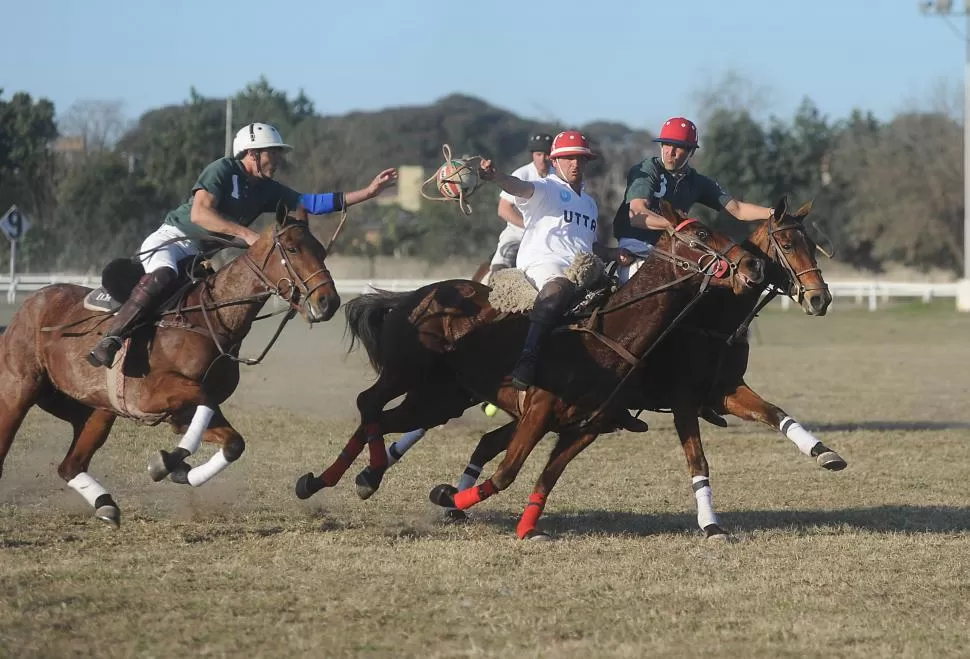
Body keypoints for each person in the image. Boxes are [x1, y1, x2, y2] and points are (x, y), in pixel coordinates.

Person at [87, 122, 398, 368]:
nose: (277, 159)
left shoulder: (266, 189)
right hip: (171, 241)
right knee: (163, 276)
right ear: (251, 153)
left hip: (197, 257)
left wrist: (368, 192)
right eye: (271, 153)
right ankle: (110, 339)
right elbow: (200, 213)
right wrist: (247, 236)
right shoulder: (222, 169)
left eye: (277, 153)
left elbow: (310, 202)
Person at [613, 116, 774, 282]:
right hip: (635, 249)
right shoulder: (647, 169)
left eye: (679, 147)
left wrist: (773, 213)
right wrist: (678, 224)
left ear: (692, 151)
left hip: (672, 253)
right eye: (666, 144)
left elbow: (738, 209)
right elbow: (638, 216)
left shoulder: (697, 182)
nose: (670, 152)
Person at [487, 133, 554, 273]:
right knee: (501, 263)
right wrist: (529, 225)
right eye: (539, 154)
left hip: (551, 234)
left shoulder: (557, 176)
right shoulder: (522, 174)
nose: (543, 159)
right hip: (518, 232)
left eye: (547, 154)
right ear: (533, 155)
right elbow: (503, 209)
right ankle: (494, 292)